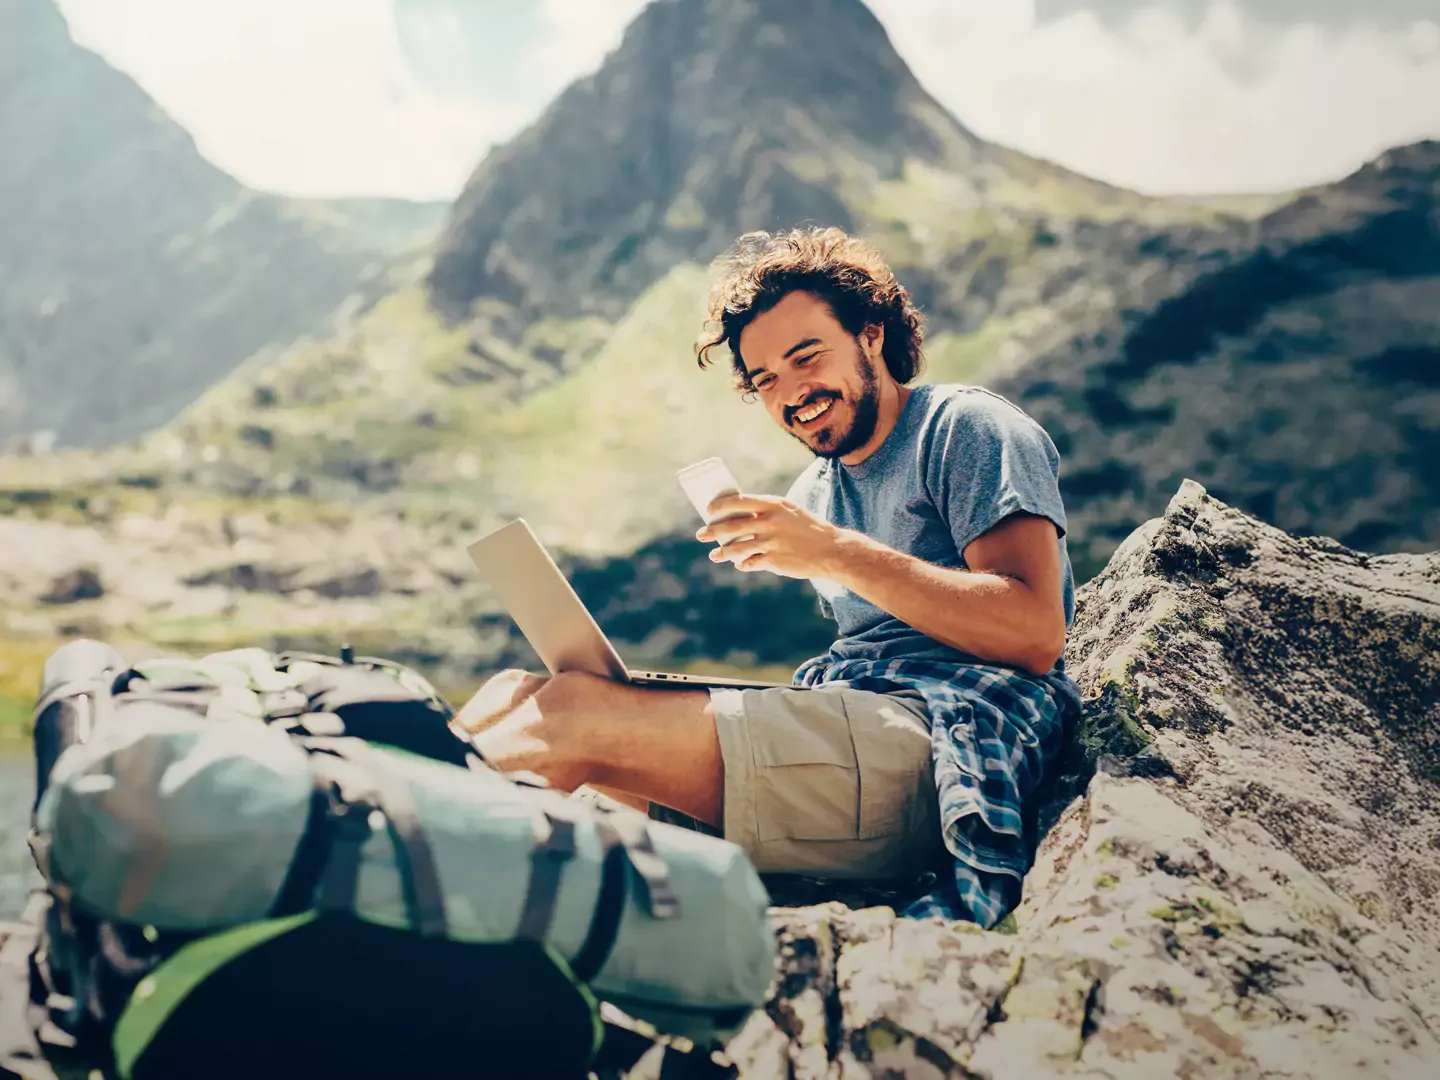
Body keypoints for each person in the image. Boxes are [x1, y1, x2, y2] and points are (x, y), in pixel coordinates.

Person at [457, 227, 1082, 926]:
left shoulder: (964, 427)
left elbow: (1034, 634)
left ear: (871, 334)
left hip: (950, 740)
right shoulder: (814, 491)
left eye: (806, 357)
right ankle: (387, 809)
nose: (792, 392)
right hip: (854, 730)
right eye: (766, 381)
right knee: (523, 694)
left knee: (577, 716)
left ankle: (390, 848)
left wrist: (833, 552)